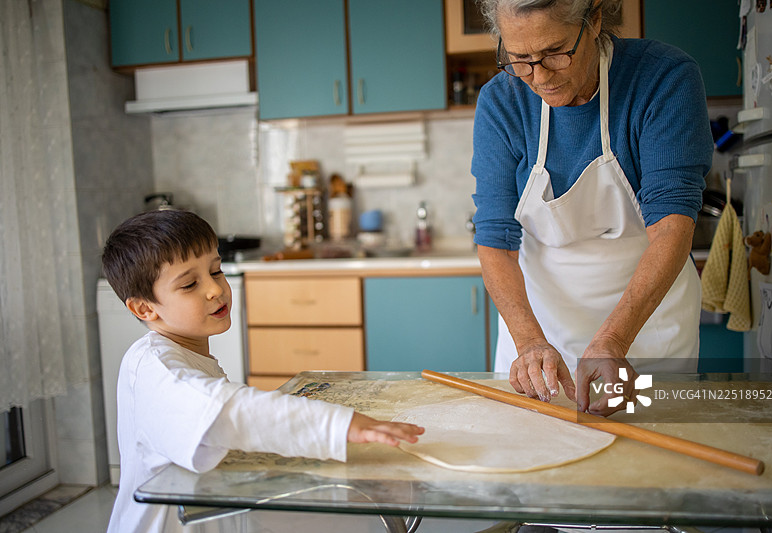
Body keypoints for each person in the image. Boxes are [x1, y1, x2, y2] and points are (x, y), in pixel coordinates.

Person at [102, 210, 423, 533]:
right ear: (144, 308)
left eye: (216, 271)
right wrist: (341, 425)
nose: (215, 289)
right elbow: (231, 412)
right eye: (189, 284)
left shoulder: (186, 355)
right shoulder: (154, 368)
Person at [472, 0, 713, 415]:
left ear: (594, 19)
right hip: (538, 328)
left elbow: (672, 225)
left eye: (555, 53)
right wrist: (529, 341)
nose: (539, 77)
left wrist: (613, 341)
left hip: (647, 325)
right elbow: (496, 240)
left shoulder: (663, 77)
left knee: (648, 442)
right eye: (520, 59)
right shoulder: (502, 102)